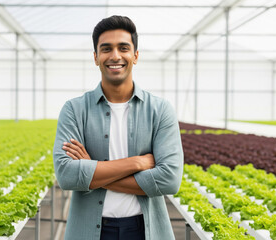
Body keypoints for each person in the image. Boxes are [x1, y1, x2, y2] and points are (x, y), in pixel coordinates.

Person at [53, 15, 183, 240]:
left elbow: (170, 179)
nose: (115, 56)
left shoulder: (160, 110)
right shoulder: (74, 110)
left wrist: (91, 172)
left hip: (144, 230)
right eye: (106, 49)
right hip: (89, 231)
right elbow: (66, 175)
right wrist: (137, 163)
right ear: (95, 57)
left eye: (123, 48)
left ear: (135, 55)